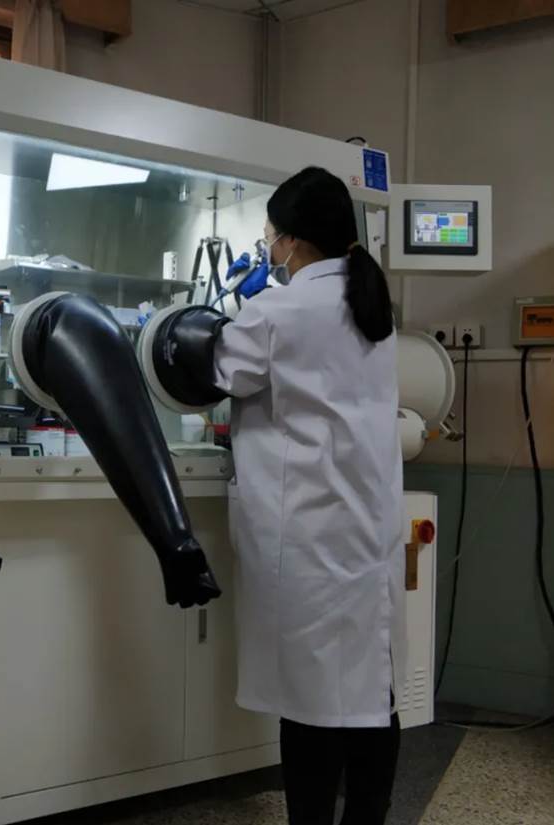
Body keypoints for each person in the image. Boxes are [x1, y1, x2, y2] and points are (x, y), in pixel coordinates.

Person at [214, 167, 404, 825]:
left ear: (291, 240)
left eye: (270, 235)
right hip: (366, 528)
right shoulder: (373, 309)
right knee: (369, 696)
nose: (268, 247)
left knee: (310, 706)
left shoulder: (280, 310)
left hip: (309, 535)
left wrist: (231, 312)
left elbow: (221, 372)